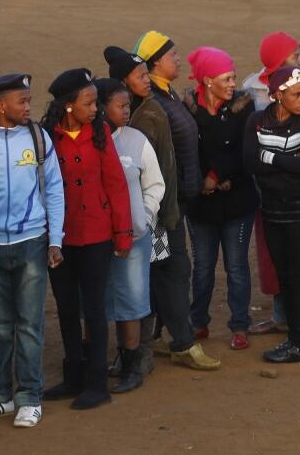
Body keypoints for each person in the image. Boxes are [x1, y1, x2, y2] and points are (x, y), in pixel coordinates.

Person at [0, 74, 65, 429]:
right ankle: (0, 397)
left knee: (30, 325)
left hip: (31, 243)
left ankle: (30, 397)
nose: (28, 107)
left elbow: (53, 189)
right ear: (0, 105)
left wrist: (55, 240)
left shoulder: (38, 137)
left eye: (29, 100)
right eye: (22, 101)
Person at [40, 68, 132, 411]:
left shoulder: (100, 133)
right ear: (68, 105)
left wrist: (122, 234)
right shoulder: (47, 136)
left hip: (95, 234)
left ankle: (96, 383)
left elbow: (116, 184)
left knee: (93, 309)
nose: (96, 108)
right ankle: (73, 375)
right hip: (60, 237)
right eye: (89, 102)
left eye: (96, 102)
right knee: (65, 307)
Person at [133, 32, 220, 370]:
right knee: (172, 268)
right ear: (156, 62)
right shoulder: (151, 101)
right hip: (162, 208)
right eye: (173, 54)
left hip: (177, 201)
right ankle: (182, 342)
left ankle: (157, 334)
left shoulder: (167, 96)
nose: (179, 59)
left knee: (167, 267)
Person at [103, 46, 181, 376]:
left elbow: (156, 180)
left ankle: (138, 358)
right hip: (110, 233)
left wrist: (147, 217)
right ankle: (123, 356)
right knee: (116, 295)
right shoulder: (106, 134)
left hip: (146, 229)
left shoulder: (143, 123)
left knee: (140, 292)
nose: (147, 81)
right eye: (140, 77)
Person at [242, 32, 300, 335]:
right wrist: (284, 161)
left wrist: (270, 157)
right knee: (275, 260)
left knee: (299, 266)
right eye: (294, 56)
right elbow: (249, 158)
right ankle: (284, 318)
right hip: (269, 198)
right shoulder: (251, 93)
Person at [184, 47, 258, 352]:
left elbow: (246, 151)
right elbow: (186, 150)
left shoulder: (244, 108)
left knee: (237, 266)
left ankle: (240, 325)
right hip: (201, 204)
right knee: (202, 265)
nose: (232, 84)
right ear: (207, 80)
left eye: (233, 78)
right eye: (226, 78)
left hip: (236, 201)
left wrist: (215, 175)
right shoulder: (188, 110)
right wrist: (201, 179)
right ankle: (198, 321)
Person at [95, 78, 164, 394]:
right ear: (101, 107)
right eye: (121, 105)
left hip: (134, 238)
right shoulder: (88, 140)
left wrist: (145, 215)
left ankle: (132, 364)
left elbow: (155, 184)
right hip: (96, 238)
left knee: (132, 302)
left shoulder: (137, 140)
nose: (127, 110)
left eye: (128, 105)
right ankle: (106, 361)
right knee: (100, 299)